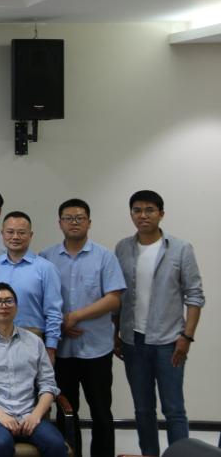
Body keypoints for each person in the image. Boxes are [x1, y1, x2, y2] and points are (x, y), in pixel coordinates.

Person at [114, 190, 204, 456]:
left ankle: (180, 454)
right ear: (131, 214)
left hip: (169, 342)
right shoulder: (122, 248)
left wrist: (187, 336)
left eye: (149, 210)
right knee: (143, 410)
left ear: (161, 214)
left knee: (174, 409)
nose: (143, 215)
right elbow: (117, 295)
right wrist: (115, 332)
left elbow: (194, 295)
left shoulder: (180, 248)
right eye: (137, 210)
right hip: (133, 341)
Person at [40, 198, 125, 457]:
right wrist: (60, 324)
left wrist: (75, 317)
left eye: (80, 218)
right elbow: (39, 299)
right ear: (60, 223)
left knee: (101, 411)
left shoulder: (105, 257)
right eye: (68, 218)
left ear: (89, 222)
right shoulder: (46, 257)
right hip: (61, 349)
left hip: (96, 348)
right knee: (66, 411)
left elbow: (114, 299)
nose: (74, 222)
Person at [0, 283, 67, 457]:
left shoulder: (34, 342)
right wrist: (0, 415)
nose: (4, 306)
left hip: (29, 414)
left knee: (56, 444)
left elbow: (48, 384)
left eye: (9, 301)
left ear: (16, 307)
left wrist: (36, 415)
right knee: (1, 443)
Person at [0, 211, 63, 360]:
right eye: (10, 232)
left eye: (21, 232)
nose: (15, 237)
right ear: (2, 234)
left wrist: (51, 347)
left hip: (34, 340)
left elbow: (54, 311)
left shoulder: (46, 268)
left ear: (30, 235)